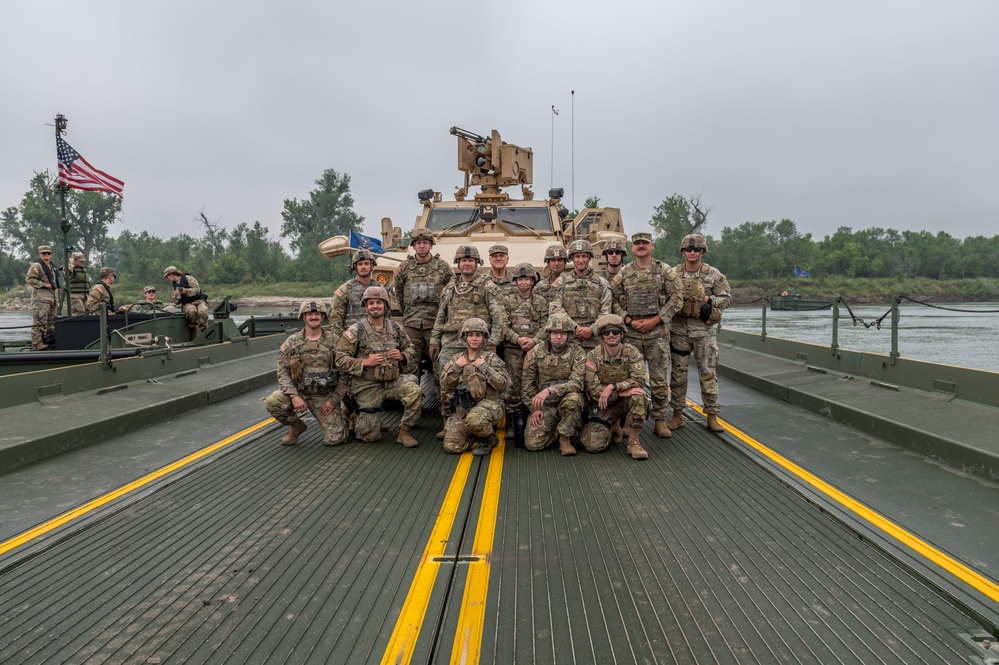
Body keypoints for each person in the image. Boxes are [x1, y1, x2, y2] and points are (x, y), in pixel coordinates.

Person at [610, 232, 682, 439]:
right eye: (637, 244)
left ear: (652, 246)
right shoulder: (624, 273)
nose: (641, 247)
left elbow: (677, 299)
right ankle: (630, 419)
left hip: (657, 334)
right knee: (630, 379)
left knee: (659, 380)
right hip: (631, 334)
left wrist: (655, 320)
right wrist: (628, 320)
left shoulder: (664, 271)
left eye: (644, 243)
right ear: (632, 249)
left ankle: (660, 420)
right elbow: (613, 299)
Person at [429, 245, 506, 438]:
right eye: (463, 260)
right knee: (445, 382)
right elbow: (441, 316)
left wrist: (491, 343)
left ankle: (482, 419)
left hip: (479, 343)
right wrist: (434, 340)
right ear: (458, 263)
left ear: (477, 263)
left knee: (481, 382)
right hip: (451, 342)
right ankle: (448, 421)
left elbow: (499, 318)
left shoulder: (487, 286)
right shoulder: (450, 288)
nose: (467, 263)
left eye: (471, 260)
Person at [335, 286, 422, 447]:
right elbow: (340, 359)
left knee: (414, 392)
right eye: (371, 303)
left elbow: (410, 348)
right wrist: (365, 363)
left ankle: (404, 432)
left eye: (379, 303)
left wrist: (402, 355)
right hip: (367, 384)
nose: (375, 306)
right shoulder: (356, 331)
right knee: (369, 436)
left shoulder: (395, 328)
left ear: (385, 305)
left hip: (392, 381)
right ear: (366, 306)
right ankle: (353, 414)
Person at [669, 234, 732, 433]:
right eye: (689, 249)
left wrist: (709, 300)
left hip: (703, 331)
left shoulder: (713, 274)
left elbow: (728, 298)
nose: (692, 253)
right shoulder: (673, 274)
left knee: (708, 373)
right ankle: (677, 415)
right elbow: (663, 295)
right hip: (678, 330)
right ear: (683, 252)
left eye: (696, 250)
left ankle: (711, 416)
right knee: (678, 374)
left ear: (702, 252)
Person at [263, 300, 348, 446]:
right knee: (273, 402)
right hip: (300, 392)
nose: (313, 317)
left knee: (334, 439)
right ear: (303, 317)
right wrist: (294, 396)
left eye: (317, 314)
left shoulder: (334, 341)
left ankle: (344, 419)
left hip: (324, 396)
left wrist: (333, 401)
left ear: (322, 317)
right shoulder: (292, 342)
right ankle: (296, 426)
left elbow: (345, 374)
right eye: (309, 314)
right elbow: (282, 371)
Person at [580, 314, 650, 460]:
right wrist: (622, 392)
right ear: (602, 336)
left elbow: (640, 379)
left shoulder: (632, 352)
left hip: (624, 404)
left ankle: (633, 442)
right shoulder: (593, 357)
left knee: (640, 396)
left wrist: (614, 387)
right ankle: (613, 425)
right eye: (606, 332)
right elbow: (593, 391)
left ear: (622, 334)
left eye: (615, 332)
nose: (611, 335)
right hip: (603, 405)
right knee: (592, 446)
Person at [439, 318, 510, 455]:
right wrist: (457, 367)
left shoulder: (491, 358)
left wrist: (483, 367)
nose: (474, 339)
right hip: (465, 408)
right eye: (470, 335)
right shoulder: (456, 359)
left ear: (484, 337)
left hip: (488, 405)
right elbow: (444, 385)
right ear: (464, 337)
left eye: (478, 335)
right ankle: (477, 434)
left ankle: (487, 439)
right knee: (451, 446)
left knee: (475, 420)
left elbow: (503, 384)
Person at [392, 227, 453, 384]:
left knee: (440, 364)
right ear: (413, 245)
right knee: (410, 365)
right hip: (412, 325)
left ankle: (443, 405)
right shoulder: (404, 268)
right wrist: (407, 313)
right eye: (418, 243)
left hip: (435, 325)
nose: (422, 246)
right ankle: (413, 402)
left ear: (431, 245)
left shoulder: (443, 267)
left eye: (425, 243)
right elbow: (398, 293)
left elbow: (451, 293)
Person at [521, 313, 586, 456]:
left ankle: (565, 439)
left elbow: (577, 383)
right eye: (555, 333)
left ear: (569, 335)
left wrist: (550, 390)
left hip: (567, 401)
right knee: (532, 444)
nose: (558, 337)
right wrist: (534, 409)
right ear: (548, 334)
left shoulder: (578, 353)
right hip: (545, 405)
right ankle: (565, 428)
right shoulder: (535, 352)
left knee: (574, 399)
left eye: (563, 333)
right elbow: (527, 385)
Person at [499, 262, 549, 416]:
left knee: (534, 382)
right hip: (513, 350)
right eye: (520, 279)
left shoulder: (540, 302)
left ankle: (533, 414)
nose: (523, 282)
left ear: (533, 281)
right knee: (513, 384)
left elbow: (546, 325)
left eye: (526, 279)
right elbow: (502, 325)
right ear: (515, 281)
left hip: (535, 349)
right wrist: (518, 339)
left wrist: (534, 340)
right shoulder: (507, 301)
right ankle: (514, 417)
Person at [548, 239, 612, 351]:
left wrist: (591, 329)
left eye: (584, 256)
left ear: (589, 258)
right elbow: (556, 309)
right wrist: (575, 327)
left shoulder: (602, 283)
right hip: (569, 339)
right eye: (577, 257)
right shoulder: (561, 282)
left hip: (595, 339)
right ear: (572, 258)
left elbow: (606, 311)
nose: (581, 260)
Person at [330, 250, 378, 338]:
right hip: (353, 339)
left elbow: (386, 315)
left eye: (366, 263)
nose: (363, 267)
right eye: (360, 264)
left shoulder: (379, 289)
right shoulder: (345, 289)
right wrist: (341, 341)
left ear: (372, 266)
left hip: (376, 338)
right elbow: (335, 319)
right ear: (354, 267)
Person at [24, 245, 60, 349]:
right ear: (40, 254)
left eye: (48, 253)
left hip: (52, 298)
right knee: (40, 320)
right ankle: (37, 343)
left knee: (51, 322)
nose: (46, 255)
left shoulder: (51, 266)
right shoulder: (37, 265)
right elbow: (30, 279)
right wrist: (44, 285)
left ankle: (49, 340)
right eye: (44, 253)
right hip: (41, 298)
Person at [163, 266, 209, 338]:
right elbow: (177, 302)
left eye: (167, 277)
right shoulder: (174, 286)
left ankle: (204, 330)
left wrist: (185, 291)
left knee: (202, 311)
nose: (167, 279)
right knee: (191, 312)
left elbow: (197, 289)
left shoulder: (188, 278)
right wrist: (176, 296)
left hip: (199, 300)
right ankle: (194, 330)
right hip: (188, 303)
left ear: (171, 274)